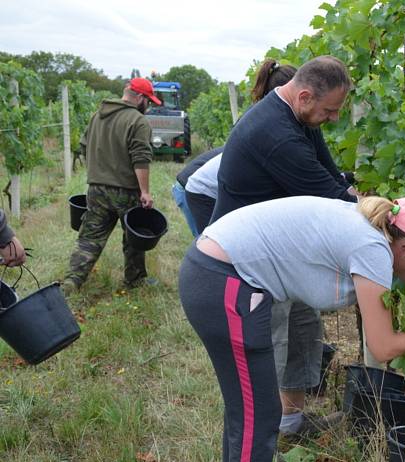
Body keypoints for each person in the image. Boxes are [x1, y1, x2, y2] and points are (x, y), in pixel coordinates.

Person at [179, 195, 405, 462]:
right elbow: (383, 347)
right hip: (222, 283)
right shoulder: (372, 248)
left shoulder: (373, 227)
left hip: (216, 274)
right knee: (258, 415)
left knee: (249, 411)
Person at [208, 56, 357, 441]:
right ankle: (262, 442)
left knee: (304, 332)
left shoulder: (300, 117)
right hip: (249, 265)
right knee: (269, 348)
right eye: (330, 111)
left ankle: (290, 422)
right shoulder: (275, 134)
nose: (335, 119)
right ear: (305, 96)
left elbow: (331, 175)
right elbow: (332, 199)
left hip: (286, 254)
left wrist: (355, 192)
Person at [173, 59, 298, 236]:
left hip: (206, 184)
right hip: (193, 187)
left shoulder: (264, 117)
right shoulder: (264, 123)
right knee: (211, 250)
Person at [63, 78, 160, 293]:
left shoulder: (97, 116)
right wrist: (144, 191)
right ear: (141, 98)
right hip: (126, 190)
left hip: (96, 188)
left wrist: (98, 173)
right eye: (149, 101)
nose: (149, 106)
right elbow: (141, 158)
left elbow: (84, 147)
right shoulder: (138, 121)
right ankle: (134, 280)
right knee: (134, 237)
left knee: (90, 237)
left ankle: (71, 282)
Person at [173, 146, 223, 236]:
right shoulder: (239, 153)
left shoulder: (239, 147)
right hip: (188, 189)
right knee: (206, 238)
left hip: (202, 189)